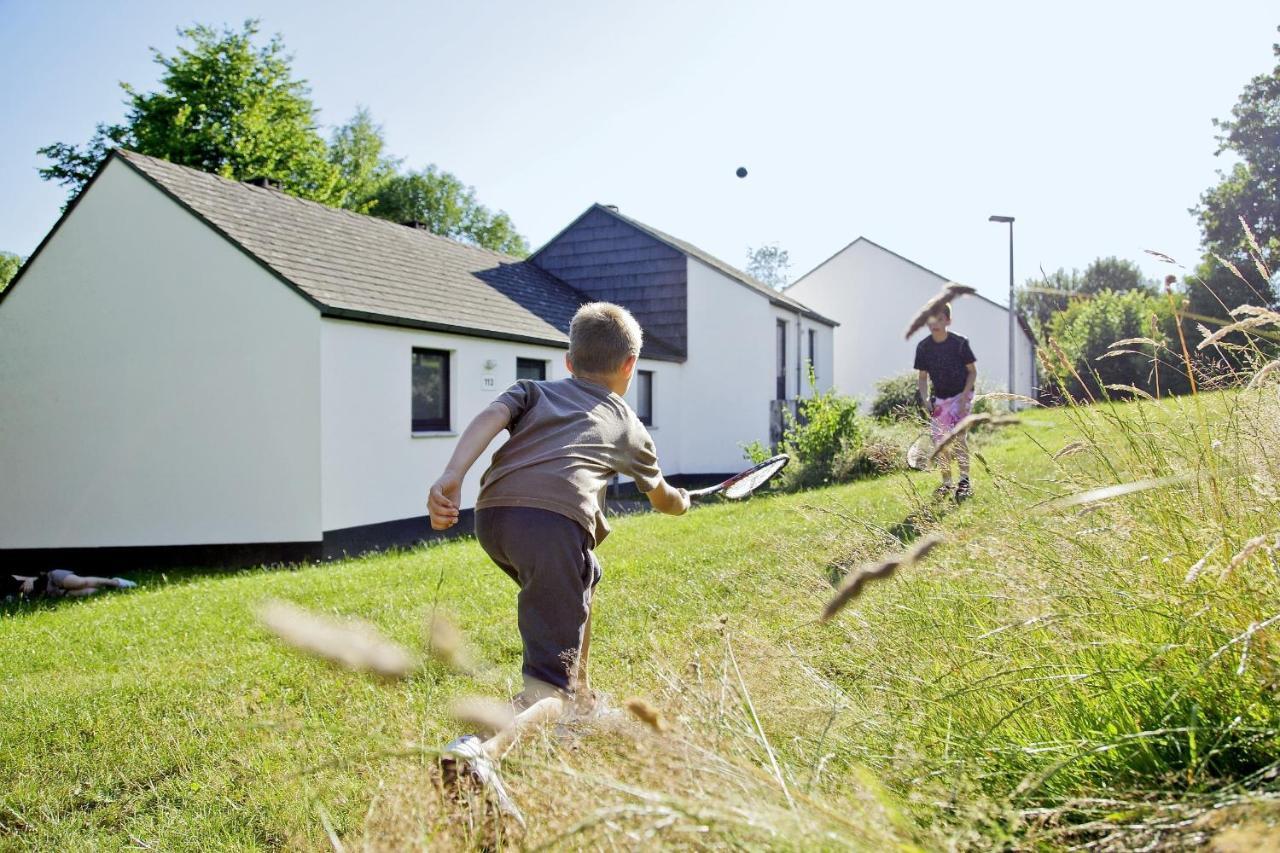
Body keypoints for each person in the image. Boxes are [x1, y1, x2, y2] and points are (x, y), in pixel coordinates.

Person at [427, 302, 689, 712]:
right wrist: (683, 502)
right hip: (551, 525)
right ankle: (487, 747)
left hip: (493, 515)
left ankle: (579, 698)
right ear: (630, 364)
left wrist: (453, 473)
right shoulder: (628, 425)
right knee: (549, 674)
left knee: (584, 577)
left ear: (569, 361)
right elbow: (662, 497)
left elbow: (493, 414)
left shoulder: (534, 391)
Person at [914, 303, 977, 500]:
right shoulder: (923, 348)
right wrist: (925, 398)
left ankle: (964, 481)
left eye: (940, 319)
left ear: (948, 320)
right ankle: (947, 483)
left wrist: (964, 397)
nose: (935, 323)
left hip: (961, 395)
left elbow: (972, 372)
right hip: (939, 399)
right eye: (931, 319)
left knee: (959, 439)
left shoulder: (960, 343)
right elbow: (923, 378)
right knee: (940, 442)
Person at [1, 569, 136, 602]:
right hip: (50, 593)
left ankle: (115, 582)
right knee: (90, 592)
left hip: (50, 579)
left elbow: (32, 576)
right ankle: (111, 590)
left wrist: (30, 580)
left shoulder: (5, 578)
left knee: (80, 583)